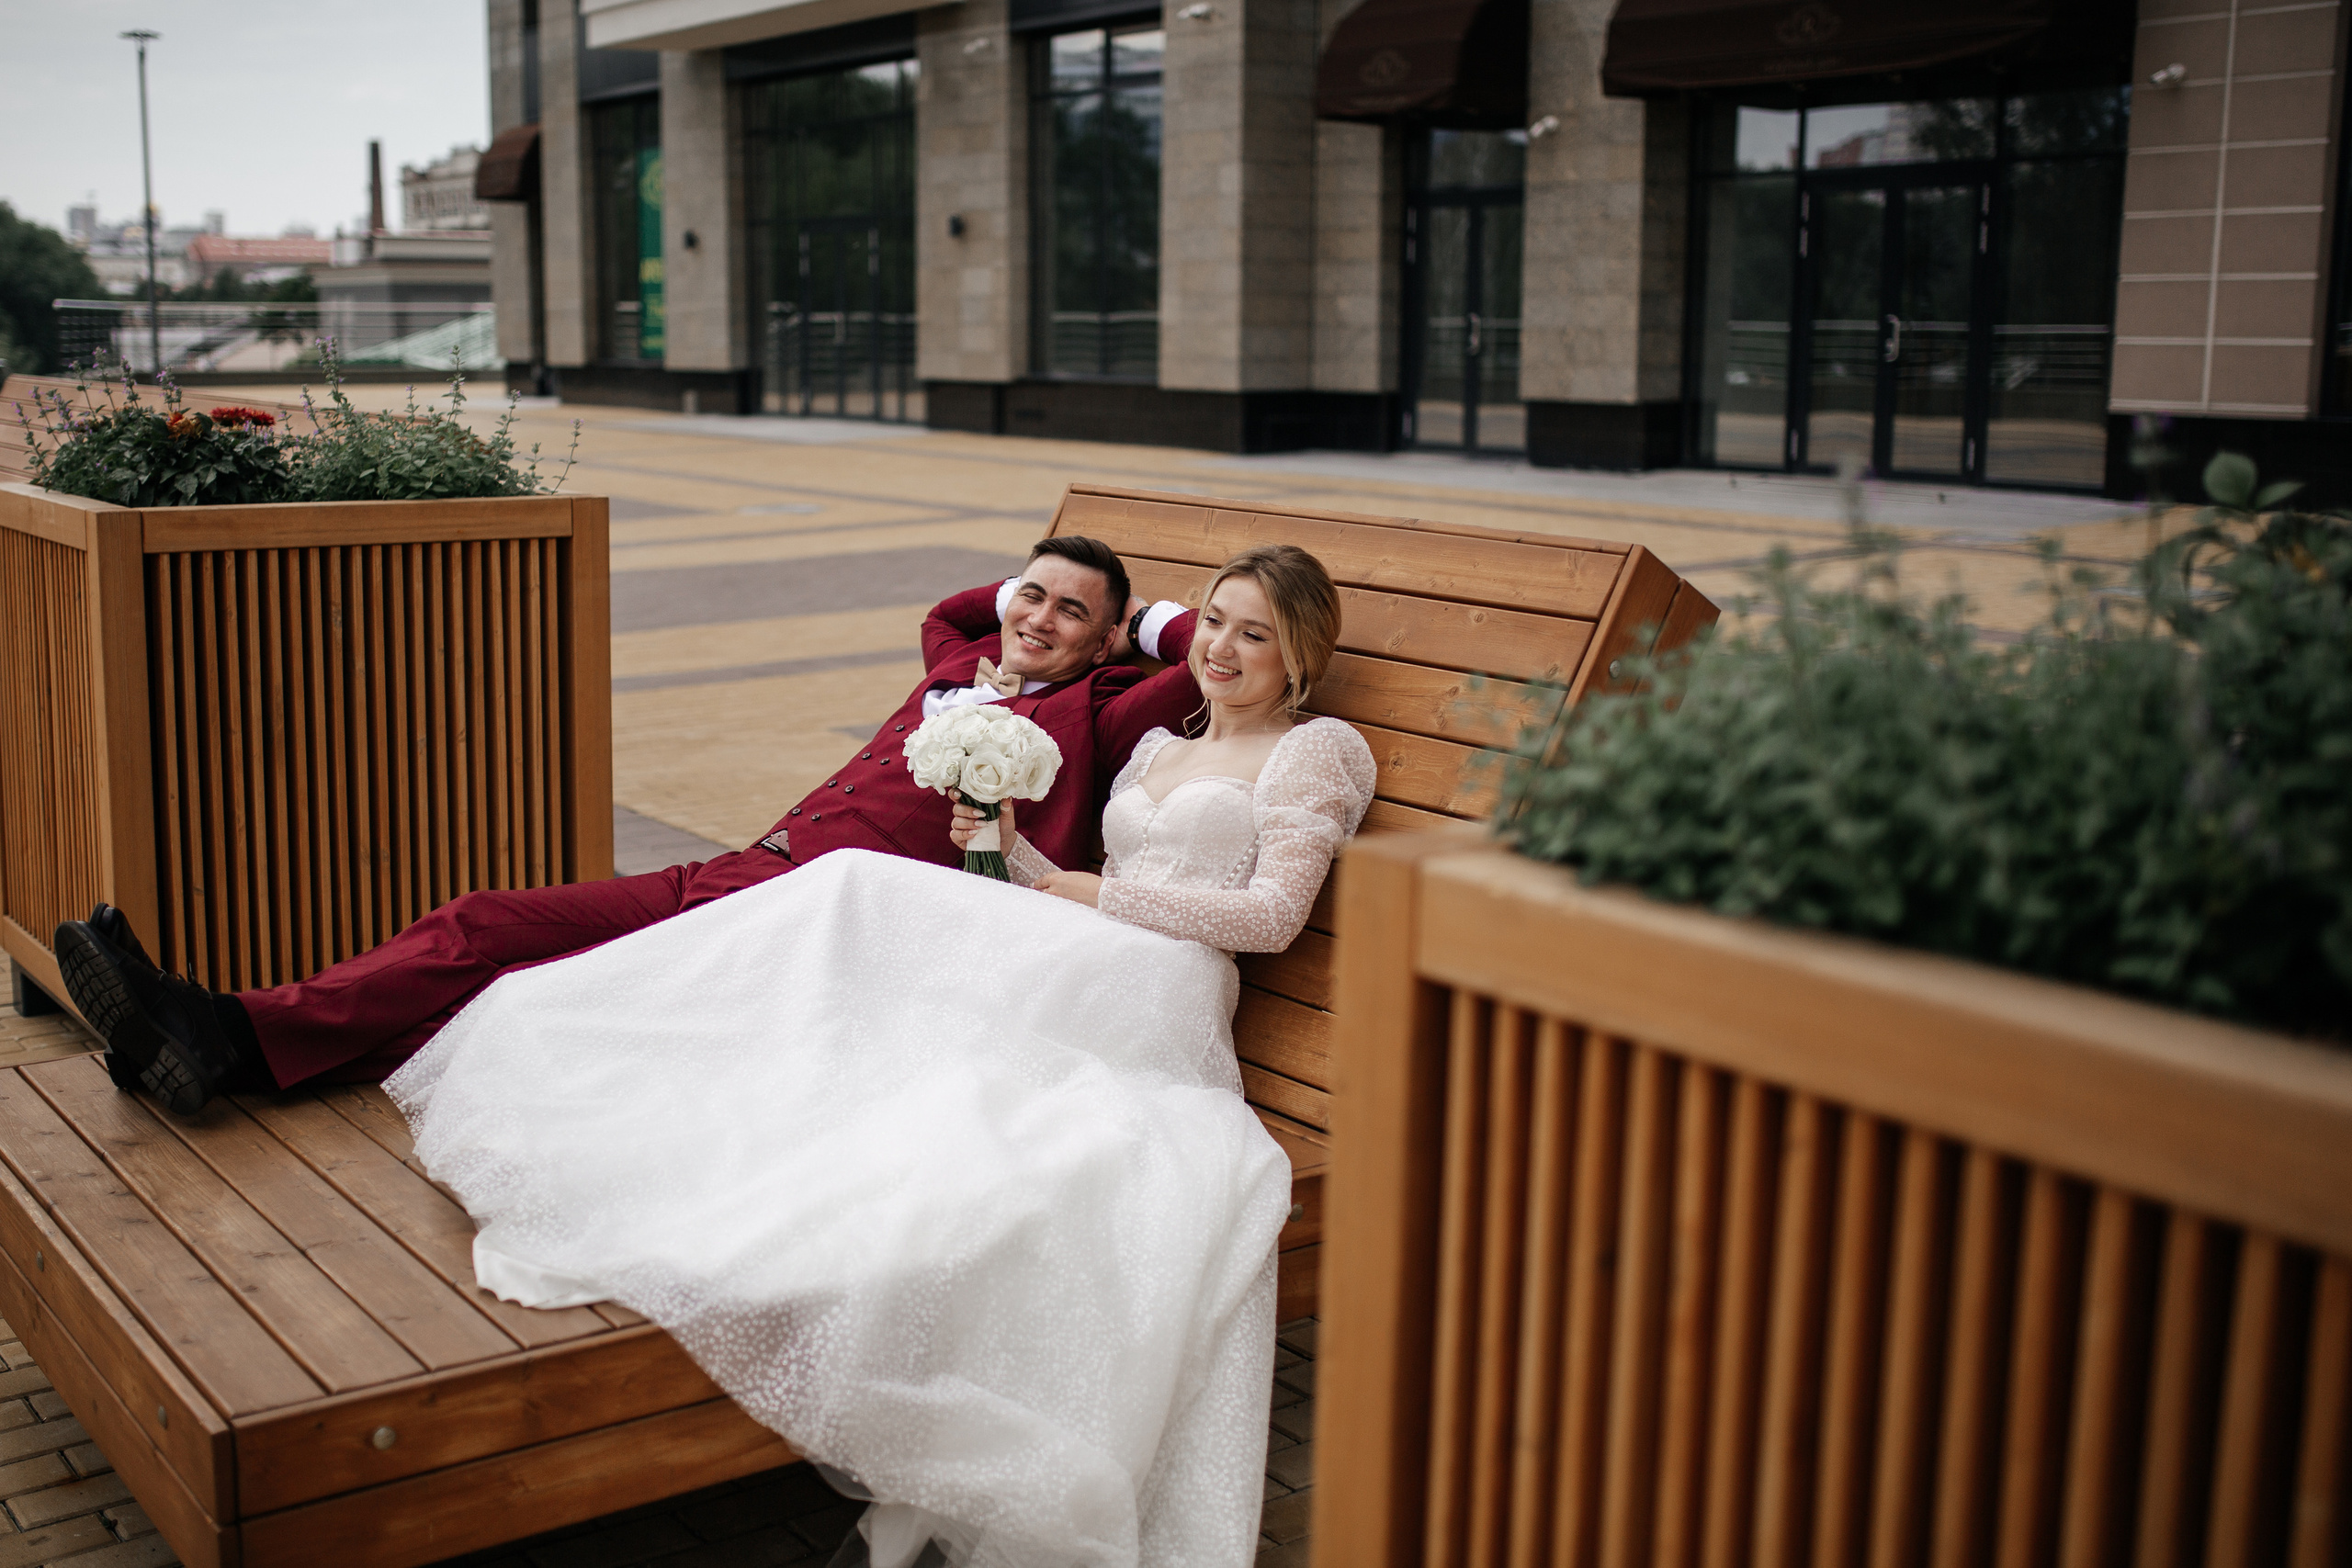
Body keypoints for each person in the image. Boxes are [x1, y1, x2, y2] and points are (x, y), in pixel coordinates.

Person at [387, 543, 1376, 1568]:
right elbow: (1058, 872)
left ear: (1298, 655)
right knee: (857, 897)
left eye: (1253, 633)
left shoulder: (1318, 750)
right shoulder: (1157, 749)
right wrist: (1003, 844)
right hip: (1079, 945)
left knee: (871, 905)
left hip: (1161, 986)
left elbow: (1267, 919)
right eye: (1212, 621)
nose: (1221, 647)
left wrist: (1077, 891)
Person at [52, 536, 1210, 1116]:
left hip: (816, 922)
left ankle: (226, 1039)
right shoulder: (963, 659)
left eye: (1073, 612)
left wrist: (1139, 624)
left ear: (1105, 642)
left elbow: (1203, 652)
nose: (1040, 618)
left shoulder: (1096, 704)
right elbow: (955, 604)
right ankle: (223, 1049)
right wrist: (1029, 593)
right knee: (496, 935)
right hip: (739, 873)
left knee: (497, 948)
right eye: (1034, 594)